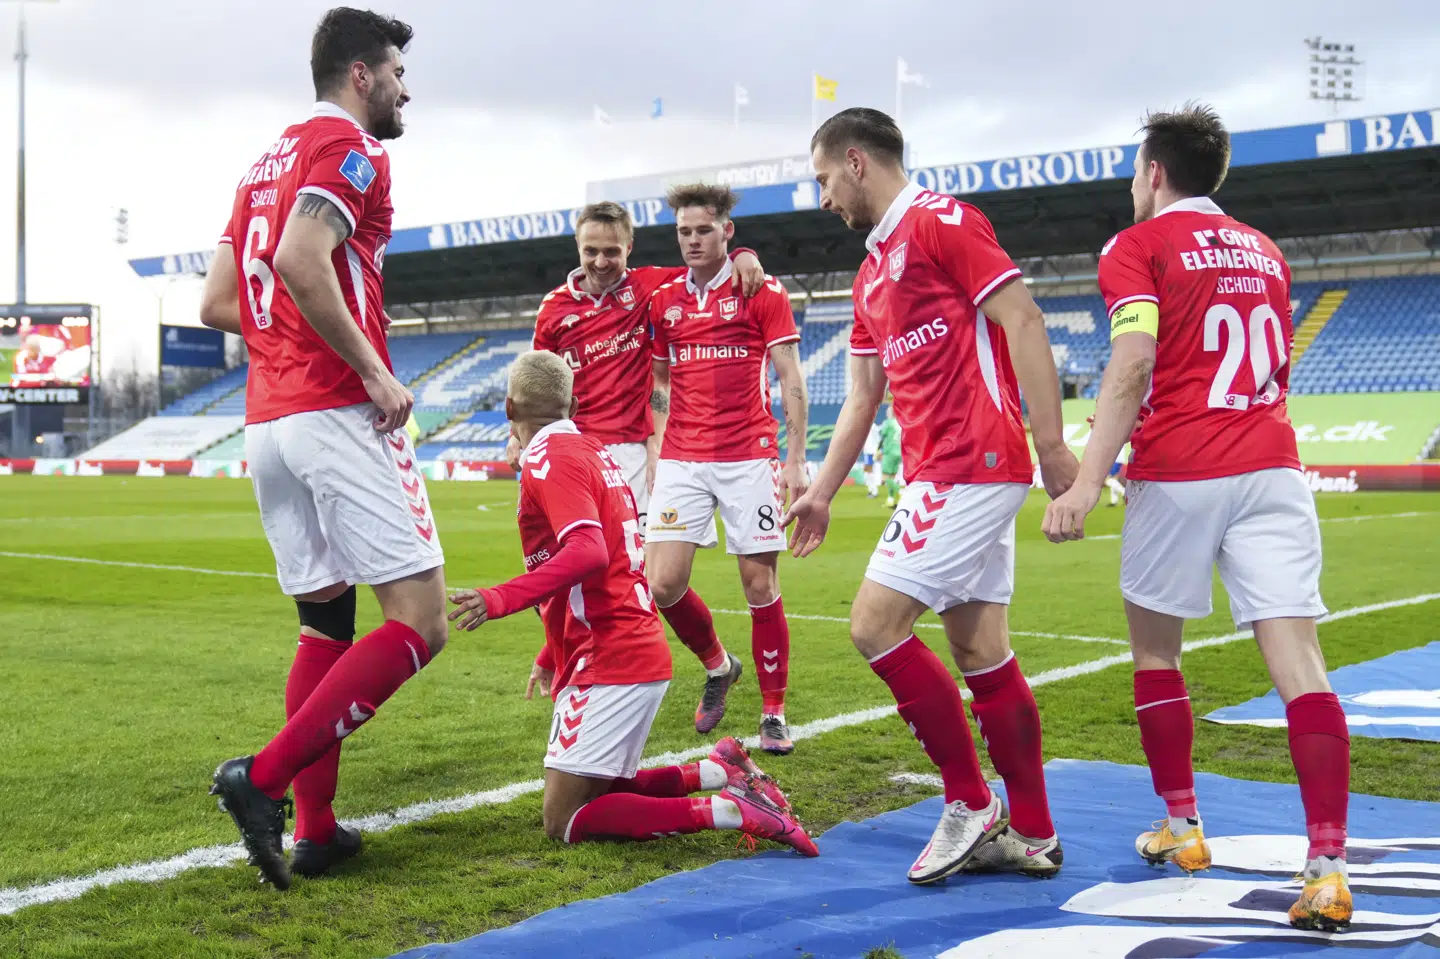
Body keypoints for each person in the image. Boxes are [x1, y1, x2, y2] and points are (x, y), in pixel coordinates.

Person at [1042, 104, 1351, 932]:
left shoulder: (1135, 247)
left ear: (1152, 172)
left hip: (1179, 469)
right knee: (1302, 664)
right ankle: (1326, 868)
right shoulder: (1266, 249)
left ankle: (1183, 826)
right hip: (1273, 466)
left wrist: (1084, 481)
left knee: (1155, 650)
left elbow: (1134, 359)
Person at [784, 107, 1079, 884]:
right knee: (981, 649)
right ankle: (1038, 833)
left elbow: (1022, 317)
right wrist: (819, 492)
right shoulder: (870, 273)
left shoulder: (942, 221)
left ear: (856, 161)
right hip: (940, 470)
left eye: (822, 179)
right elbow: (861, 399)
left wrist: (1051, 446)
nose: (822, 199)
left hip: (972, 460)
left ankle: (969, 801)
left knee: (874, 623)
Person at [198, 8, 448, 891]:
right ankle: (260, 780)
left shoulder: (259, 165)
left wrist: (282, 348)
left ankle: (317, 830)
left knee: (325, 620)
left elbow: (220, 300)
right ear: (360, 75)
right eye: (396, 74)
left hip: (269, 420)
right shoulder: (352, 152)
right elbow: (306, 259)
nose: (405, 89)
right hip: (337, 410)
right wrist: (376, 372)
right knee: (421, 621)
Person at [447, 351, 817, 856]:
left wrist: (497, 598)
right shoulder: (593, 451)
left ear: (509, 409)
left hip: (610, 656)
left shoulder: (548, 460)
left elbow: (588, 553)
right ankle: (719, 770)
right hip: (624, 644)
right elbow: (605, 568)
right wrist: (548, 653)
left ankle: (735, 810)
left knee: (566, 819)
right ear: (574, 404)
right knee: (603, 792)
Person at [519, 203, 768, 734]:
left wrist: (745, 253)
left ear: (628, 249)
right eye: (591, 251)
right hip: (576, 453)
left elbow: (711, 267)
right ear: (577, 248)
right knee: (576, 571)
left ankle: (699, 669)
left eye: (612, 251)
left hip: (637, 454)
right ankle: (579, 674)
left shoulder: (653, 288)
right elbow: (538, 382)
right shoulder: (553, 309)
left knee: (645, 583)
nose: (602, 261)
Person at [645, 183, 809, 754]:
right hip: (683, 458)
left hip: (748, 455)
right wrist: (658, 451)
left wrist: (794, 461)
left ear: (727, 231)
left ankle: (773, 713)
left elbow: (790, 378)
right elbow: (660, 382)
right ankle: (719, 665)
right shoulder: (664, 300)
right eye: (684, 232)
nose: (693, 240)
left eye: (704, 230)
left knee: (759, 583)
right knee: (662, 583)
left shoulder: (761, 290)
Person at [878, 403, 902, 508]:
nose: (886, 413)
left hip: (889, 452)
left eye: (887, 412)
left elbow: (882, 435)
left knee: (885, 478)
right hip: (899, 452)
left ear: (890, 413)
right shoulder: (899, 423)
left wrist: (878, 450)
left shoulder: (888, 423)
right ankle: (890, 500)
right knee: (892, 477)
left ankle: (901, 491)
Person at [861, 421, 881, 498]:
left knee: (869, 472)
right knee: (869, 471)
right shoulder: (874, 426)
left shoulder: (870, 426)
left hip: (870, 452)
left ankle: (874, 491)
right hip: (872, 451)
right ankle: (871, 489)